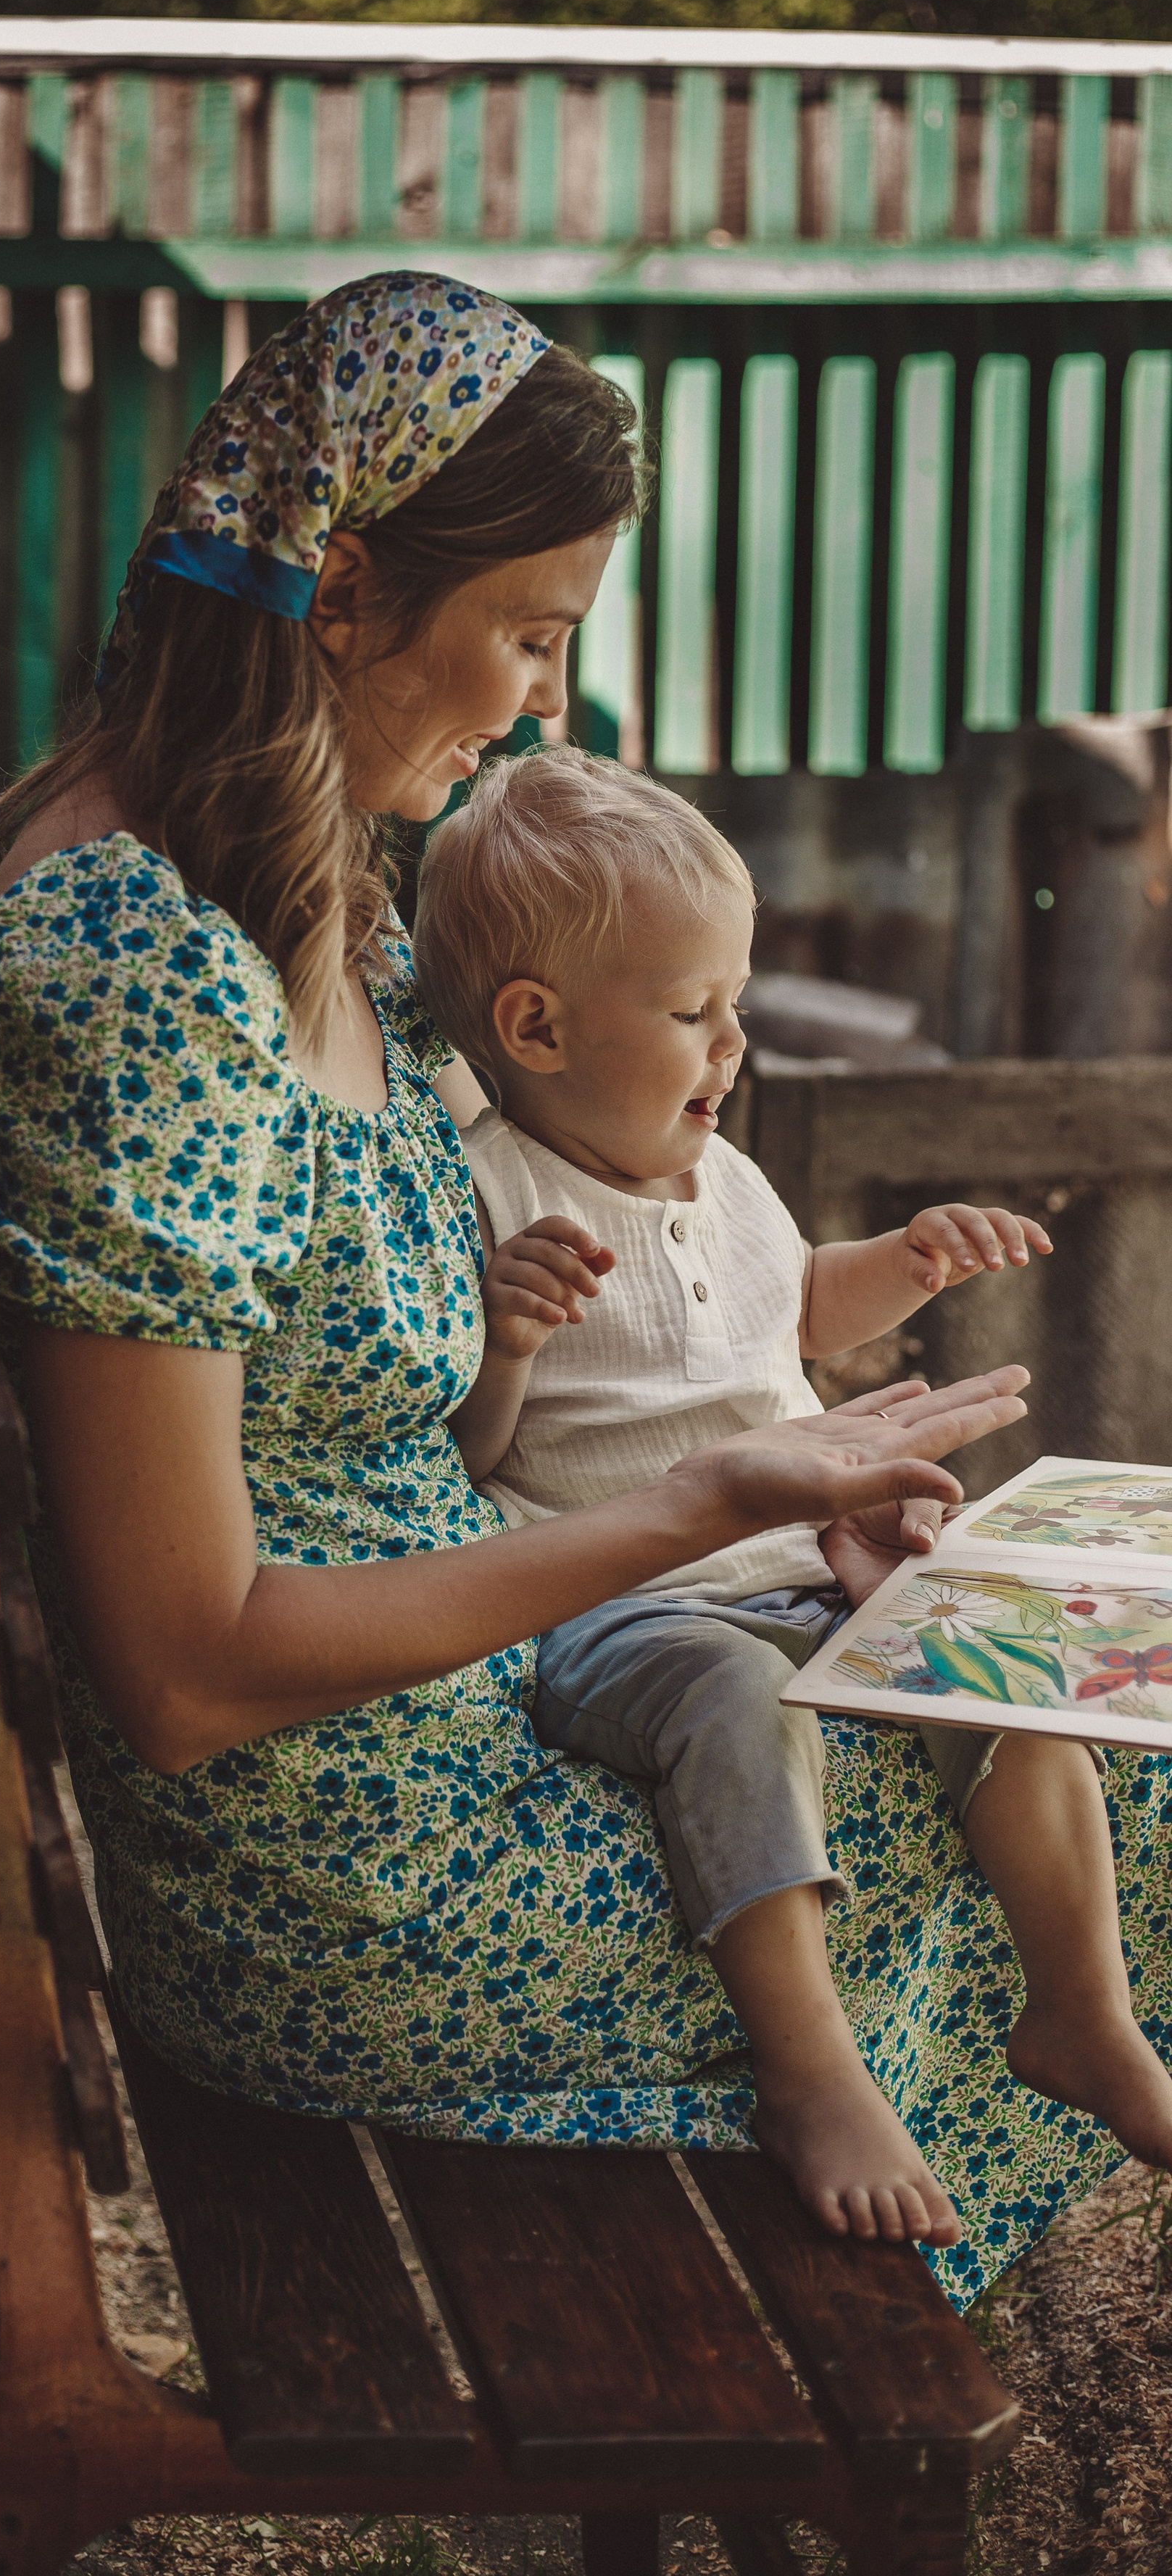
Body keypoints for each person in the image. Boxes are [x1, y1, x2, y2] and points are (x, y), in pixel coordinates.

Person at [0, 272, 1158, 2298]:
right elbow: (190, 1660)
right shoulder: (134, 968)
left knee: (1051, 1709)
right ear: (345, 586)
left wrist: (762, 1451)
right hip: (370, 1893)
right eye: (529, 632)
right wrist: (706, 1503)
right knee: (1119, 1793)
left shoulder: (291, 895)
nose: (545, 701)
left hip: (478, 1739)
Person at [412, 745, 1172, 2239]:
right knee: (732, 1706)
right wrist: (500, 1339)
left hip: (803, 1570)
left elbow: (789, 1309)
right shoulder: (495, 1194)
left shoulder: (723, 1172)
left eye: (732, 1005)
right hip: (623, 1608)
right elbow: (472, 1449)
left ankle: (1082, 2010)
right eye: (691, 1012)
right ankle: (808, 2066)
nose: (729, 1044)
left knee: (998, 1672)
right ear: (534, 1024)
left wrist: (901, 1262)